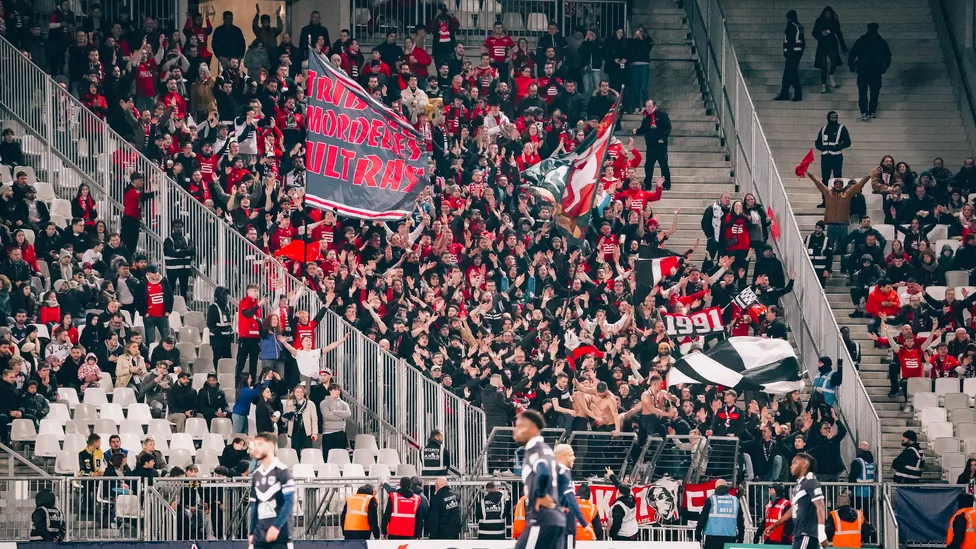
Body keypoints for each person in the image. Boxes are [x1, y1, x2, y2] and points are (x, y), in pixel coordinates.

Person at [513, 410, 564, 549]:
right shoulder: (546, 449)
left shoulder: (535, 450)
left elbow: (544, 472)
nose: (515, 430)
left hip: (541, 518)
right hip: (553, 518)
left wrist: (541, 495)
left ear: (533, 428)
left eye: (520, 426)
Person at [764, 453, 827, 549]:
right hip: (799, 534)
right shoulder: (799, 485)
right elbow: (794, 509)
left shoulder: (811, 482)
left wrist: (821, 531)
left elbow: (820, 505)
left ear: (804, 465)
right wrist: (775, 525)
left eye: (794, 463)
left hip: (806, 534)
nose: (791, 466)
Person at [248, 433, 295, 549]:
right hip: (259, 537)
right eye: (255, 444)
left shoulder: (283, 471)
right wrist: (251, 532)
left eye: (260, 444)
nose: (255, 448)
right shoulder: (256, 474)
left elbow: (289, 502)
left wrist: (276, 527)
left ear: (270, 446)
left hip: (280, 537)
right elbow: (254, 506)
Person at [848, 23, 891, 120]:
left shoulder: (868, 41)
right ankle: (868, 111)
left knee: (870, 92)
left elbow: (887, 55)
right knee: (868, 92)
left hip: (871, 69)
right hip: (868, 69)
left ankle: (868, 111)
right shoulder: (878, 42)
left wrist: (852, 64)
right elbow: (887, 55)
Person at [554, 444, 593, 549]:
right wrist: (584, 524)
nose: (574, 458)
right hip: (566, 527)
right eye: (571, 455)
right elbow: (571, 501)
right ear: (562, 457)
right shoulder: (564, 474)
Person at [634, 99, 672, 190]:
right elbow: (644, 128)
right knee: (648, 165)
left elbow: (668, 127)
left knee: (663, 165)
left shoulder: (661, 114)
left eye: (650, 106)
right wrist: (637, 131)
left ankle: (666, 184)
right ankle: (647, 184)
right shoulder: (646, 115)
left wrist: (663, 138)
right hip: (650, 144)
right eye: (646, 106)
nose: (648, 108)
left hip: (660, 145)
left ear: (654, 106)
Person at [696, 478, 744, 549]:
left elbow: (703, 518)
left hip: (712, 537)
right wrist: (741, 536)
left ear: (716, 488)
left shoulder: (711, 500)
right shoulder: (735, 500)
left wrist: (698, 532)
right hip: (730, 537)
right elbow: (740, 521)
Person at [815, 111, 852, 192]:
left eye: (835, 117)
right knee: (825, 179)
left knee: (838, 179)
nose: (833, 119)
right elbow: (817, 143)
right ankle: (825, 200)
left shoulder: (841, 128)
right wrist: (822, 148)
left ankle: (838, 199)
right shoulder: (823, 129)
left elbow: (848, 142)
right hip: (825, 157)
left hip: (837, 157)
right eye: (832, 117)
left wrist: (838, 147)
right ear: (828, 118)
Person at [812, 7, 846, 93]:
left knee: (834, 61)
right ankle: (823, 85)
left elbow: (839, 33)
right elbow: (814, 32)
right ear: (824, 13)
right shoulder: (819, 21)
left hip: (832, 45)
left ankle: (831, 76)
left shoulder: (834, 21)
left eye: (829, 14)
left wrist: (829, 31)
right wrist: (821, 34)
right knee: (823, 66)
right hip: (822, 45)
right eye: (826, 14)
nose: (828, 15)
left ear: (831, 13)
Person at [120, 172, 155, 254]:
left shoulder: (135, 190)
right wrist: (154, 193)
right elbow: (142, 196)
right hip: (129, 219)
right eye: (140, 180)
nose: (142, 182)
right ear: (135, 181)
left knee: (132, 243)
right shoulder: (130, 190)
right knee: (127, 241)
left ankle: (129, 259)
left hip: (134, 219)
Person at [775, 10, 805, 101]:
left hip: (792, 54)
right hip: (797, 53)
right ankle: (785, 93)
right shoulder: (798, 26)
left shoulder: (791, 26)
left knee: (791, 73)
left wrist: (787, 53)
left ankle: (796, 94)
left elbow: (790, 42)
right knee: (788, 73)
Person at [236, 283, 265, 378]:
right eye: (254, 291)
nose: (257, 293)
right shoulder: (244, 302)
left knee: (254, 363)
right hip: (245, 337)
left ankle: (252, 383)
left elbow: (257, 319)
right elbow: (247, 314)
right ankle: (237, 382)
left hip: (255, 337)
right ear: (248, 291)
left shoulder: (256, 304)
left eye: (257, 291)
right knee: (241, 361)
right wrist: (258, 305)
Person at [163, 219, 195, 298]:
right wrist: (186, 251)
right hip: (172, 269)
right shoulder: (168, 240)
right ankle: (170, 306)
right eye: (177, 227)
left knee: (184, 290)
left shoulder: (186, 239)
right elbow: (172, 253)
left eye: (181, 227)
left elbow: (193, 251)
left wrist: (180, 252)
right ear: (173, 228)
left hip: (185, 269)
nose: (179, 229)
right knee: (171, 289)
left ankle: (184, 305)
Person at [319, 383, 351, 460]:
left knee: (339, 457)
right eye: (335, 390)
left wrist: (335, 412)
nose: (337, 392)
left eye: (338, 390)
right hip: (328, 433)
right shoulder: (324, 403)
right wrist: (341, 417)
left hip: (340, 432)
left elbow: (348, 414)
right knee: (327, 456)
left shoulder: (344, 404)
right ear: (330, 391)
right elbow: (328, 416)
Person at [848, 441, 876, 519]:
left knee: (855, 514)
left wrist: (849, 489)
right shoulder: (871, 462)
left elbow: (852, 476)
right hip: (869, 493)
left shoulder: (857, 462)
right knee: (866, 514)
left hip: (858, 492)